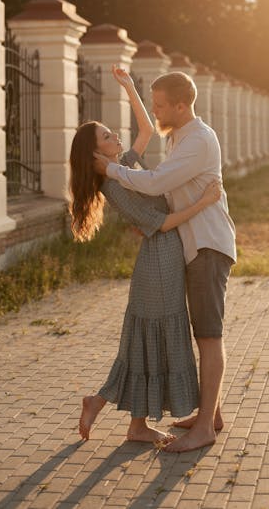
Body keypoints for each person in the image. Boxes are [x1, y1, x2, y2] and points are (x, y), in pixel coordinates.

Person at [70, 66, 222, 444]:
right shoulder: (115, 183)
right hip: (159, 262)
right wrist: (204, 202)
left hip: (168, 257)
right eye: (106, 136)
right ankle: (105, 404)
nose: (115, 135)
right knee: (150, 340)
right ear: (96, 155)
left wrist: (128, 88)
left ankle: (136, 424)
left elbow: (147, 131)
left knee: (149, 340)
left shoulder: (124, 169)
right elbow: (163, 222)